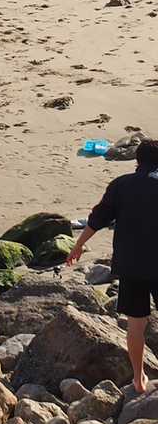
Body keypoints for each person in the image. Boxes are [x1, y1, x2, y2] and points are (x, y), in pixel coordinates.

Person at [66, 135, 158, 392]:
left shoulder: (120, 185)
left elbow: (97, 218)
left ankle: (138, 378)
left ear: (137, 161)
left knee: (136, 324)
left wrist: (78, 245)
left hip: (130, 265)